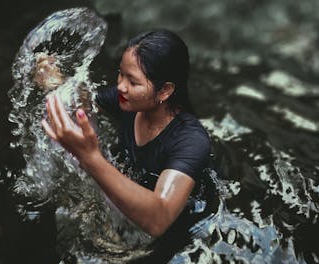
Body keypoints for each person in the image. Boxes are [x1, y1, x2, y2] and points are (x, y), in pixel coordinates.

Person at [42, 29, 211, 238]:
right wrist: (56, 83)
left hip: (187, 233)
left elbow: (160, 218)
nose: (121, 86)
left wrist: (90, 157)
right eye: (121, 73)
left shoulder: (190, 140)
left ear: (165, 91)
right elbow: (81, 101)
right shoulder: (129, 102)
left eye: (133, 81)